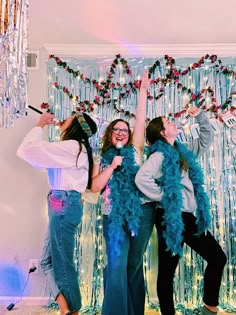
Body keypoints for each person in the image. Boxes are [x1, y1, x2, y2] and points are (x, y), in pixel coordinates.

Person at [135, 107, 227, 315]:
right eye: (168, 122)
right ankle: (206, 308)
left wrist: (200, 116)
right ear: (161, 132)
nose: (173, 123)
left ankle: (209, 306)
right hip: (170, 216)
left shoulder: (182, 150)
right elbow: (141, 178)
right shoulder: (159, 155)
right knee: (169, 271)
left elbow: (205, 139)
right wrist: (165, 196)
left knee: (215, 258)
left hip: (185, 216)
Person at [17, 111, 97, 315]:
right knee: (47, 261)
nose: (65, 117)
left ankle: (73, 310)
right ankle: (65, 308)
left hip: (63, 203)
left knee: (62, 262)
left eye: (71, 116)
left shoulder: (72, 147)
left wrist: (40, 124)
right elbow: (36, 157)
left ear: (76, 125)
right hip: (61, 203)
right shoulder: (74, 148)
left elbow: (27, 150)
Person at [91, 69, 156, 315]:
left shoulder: (136, 151)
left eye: (124, 130)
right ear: (110, 134)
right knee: (116, 265)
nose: (121, 132)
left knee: (133, 265)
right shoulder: (101, 156)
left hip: (142, 213)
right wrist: (113, 167)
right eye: (116, 129)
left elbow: (140, 120)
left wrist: (142, 92)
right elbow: (95, 187)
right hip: (113, 216)